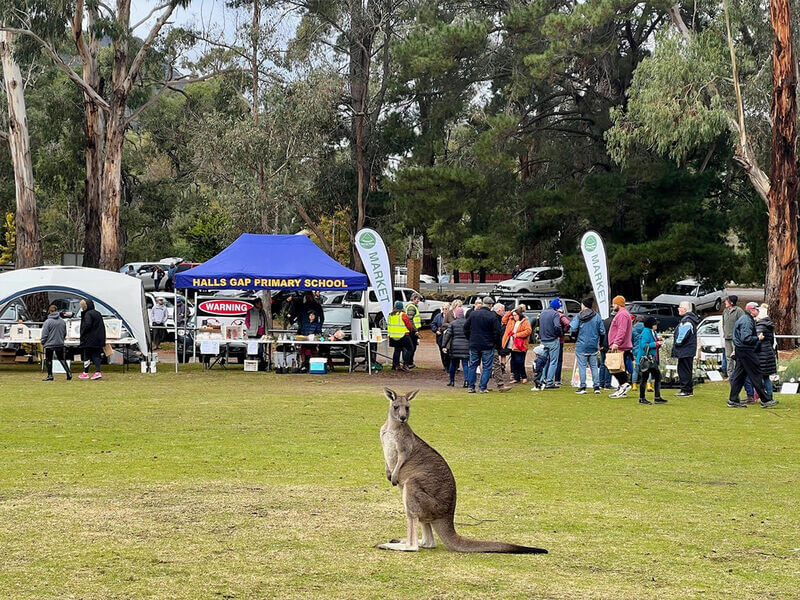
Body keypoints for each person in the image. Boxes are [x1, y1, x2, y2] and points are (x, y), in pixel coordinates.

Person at [728, 302, 777, 408]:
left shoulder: (745, 319)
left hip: (741, 350)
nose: (758, 311)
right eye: (756, 309)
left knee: (739, 376)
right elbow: (746, 338)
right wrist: (757, 338)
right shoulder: (747, 321)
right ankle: (765, 399)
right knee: (756, 375)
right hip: (746, 351)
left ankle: (733, 399)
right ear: (751, 310)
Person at [464, 296, 502, 394]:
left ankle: (471, 387)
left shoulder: (473, 314)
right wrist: (495, 343)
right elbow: (497, 332)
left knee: (473, 366)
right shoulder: (492, 316)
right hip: (487, 345)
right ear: (490, 305)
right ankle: (482, 387)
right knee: (487, 367)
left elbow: (465, 328)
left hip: (474, 344)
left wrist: (470, 338)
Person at [569, 297, 605, 394]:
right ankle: (596, 387)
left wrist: (574, 337)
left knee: (582, 366)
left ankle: (583, 387)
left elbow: (573, 329)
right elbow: (602, 332)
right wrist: (600, 343)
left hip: (581, 344)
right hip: (593, 345)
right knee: (593, 366)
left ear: (584, 305)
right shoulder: (597, 316)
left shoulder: (579, 316)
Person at [671, 300, 700, 397]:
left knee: (683, 370)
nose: (678, 309)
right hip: (688, 349)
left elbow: (682, 335)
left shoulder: (686, 320)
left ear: (685, 309)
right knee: (687, 369)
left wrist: (677, 343)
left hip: (684, 350)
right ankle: (688, 390)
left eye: (680, 307)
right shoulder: (690, 319)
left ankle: (686, 390)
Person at [534, 298, 564, 390]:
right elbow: (557, 326)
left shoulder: (542, 313)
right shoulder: (555, 314)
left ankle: (542, 379)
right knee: (553, 361)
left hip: (543, 340)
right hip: (553, 340)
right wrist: (560, 334)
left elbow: (538, 325)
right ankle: (550, 382)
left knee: (543, 361)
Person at [607, 295, 633, 398]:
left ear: (618, 304)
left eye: (614, 304)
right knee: (617, 366)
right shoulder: (623, 314)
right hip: (621, 345)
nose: (613, 306)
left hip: (620, 346)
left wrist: (616, 343)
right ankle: (622, 386)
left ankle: (624, 384)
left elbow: (622, 330)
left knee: (615, 366)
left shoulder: (622, 315)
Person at [636, 316, 665, 404]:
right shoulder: (646, 332)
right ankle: (643, 398)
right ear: (651, 325)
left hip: (652, 359)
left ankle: (656, 397)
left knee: (657, 377)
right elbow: (644, 345)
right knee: (645, 378)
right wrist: (656, 343)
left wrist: (657, 340)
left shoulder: (652, 332)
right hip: (646, 360)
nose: (656, 325)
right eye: (655, 324)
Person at [40, 304, 72, 381]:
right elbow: (64, 333)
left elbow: (45, 334)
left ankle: (50, 375)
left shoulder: (48, 322)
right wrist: (61, 339)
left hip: (49, 344)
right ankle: (68, 372)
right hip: (59, 343)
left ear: (50, 311)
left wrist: (43, 341)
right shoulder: (62, 321)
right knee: (61, 358)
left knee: (48, 359)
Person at [442, 306, 471, 387]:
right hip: (465, 346)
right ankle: (466, 381)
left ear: (456, 315)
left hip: (454, 346)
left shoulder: (452, 324)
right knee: (465, 364)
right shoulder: (467, 323)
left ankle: (451, 381)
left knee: (453, 364)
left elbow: (448, 335)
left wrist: (443, 345)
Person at [502, 306, 532, 384]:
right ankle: (516, 377)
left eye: (515, 315)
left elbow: (528, 331)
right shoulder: (511, 320)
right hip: (512, 344)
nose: (514, 316)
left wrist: (518, 335)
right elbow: (503, 319)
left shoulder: (525, 321)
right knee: (514, 361)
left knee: (520, 361)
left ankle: (524, 376)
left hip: (520, 344)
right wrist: (509, 312)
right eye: (513, 315)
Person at [78, 299, 105, 380]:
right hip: (98, 338)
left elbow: (87, 325)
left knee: (86, 355)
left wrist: (82, 333)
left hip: (89, 339)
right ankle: (98, 372)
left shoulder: (88, 314)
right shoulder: (98, 313)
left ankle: (86, 372)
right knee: (96, 355)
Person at [756, 304, 777, 401]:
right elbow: (772, 341)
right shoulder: (769, 326)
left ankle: (763, 396)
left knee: (759, 377)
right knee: (766, 377)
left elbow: (757, 341)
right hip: (768, 352)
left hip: (761, 354)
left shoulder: (760, 327)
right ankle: (769, 395)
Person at [722, 295, 746, 379]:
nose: (725, 302)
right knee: (728, 356)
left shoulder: (739, 311)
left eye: (727, 301)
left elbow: (743, 323)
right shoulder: (725, 311)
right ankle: (730, 375)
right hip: (727, 337)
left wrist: (739, 336)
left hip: (736, 338)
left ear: (731, 302)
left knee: (736, 356)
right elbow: (723, 323)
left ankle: (737, 374)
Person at [387, 300, 415, 371]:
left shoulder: (390, 315)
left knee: (397, 350)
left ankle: (396, 365)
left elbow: (389, 325)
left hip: (393, 336)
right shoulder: (402, 315)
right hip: (403, 335)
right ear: (402, 307)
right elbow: (408, 325)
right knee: (410, 348)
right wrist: (410, 330)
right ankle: (405, 364)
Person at [490, 303, 511, 392]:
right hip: (492, 345)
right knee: (496, 365)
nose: (504, 312)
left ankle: (481, 385)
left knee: (488, 365)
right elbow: (496, 334)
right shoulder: (495, 319)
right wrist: (499, 346)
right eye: (503, 310)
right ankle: (500, 385)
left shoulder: (492, 317)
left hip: (483, 344)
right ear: (498, 310)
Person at [431, 303, 451, 371]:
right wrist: (436, 330)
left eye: (446, 309)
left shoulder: (451, 316)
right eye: (443, 309)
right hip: (440, 337)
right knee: (442, 352)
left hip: (449, 337)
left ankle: (450, 366)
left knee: (449, 352)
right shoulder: (438, 316)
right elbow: (433, 324)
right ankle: (445, 366)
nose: (444, 310)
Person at [406, 293, 423, 367]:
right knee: (412, 347)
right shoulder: (411, 307)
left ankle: (409, 362)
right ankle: (409, 362)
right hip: (412, 331)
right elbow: (410, 320)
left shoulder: (412, 307)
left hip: (413, 330)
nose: (418, 301)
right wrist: (415, 330)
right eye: (417, 299)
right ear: (414, 299)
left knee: (412, 346)